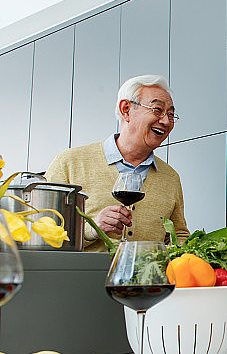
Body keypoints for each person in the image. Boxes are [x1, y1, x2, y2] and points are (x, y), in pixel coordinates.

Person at [45, 75, 189, 251]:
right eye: (157, 110)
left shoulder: (170, 177)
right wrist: (91, 229)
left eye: (171, 114)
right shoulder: (68, 163)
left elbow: (179, 234)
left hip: (146, 279)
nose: (166, 121)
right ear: (126, 109)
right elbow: (42, 231)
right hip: (83, 277)